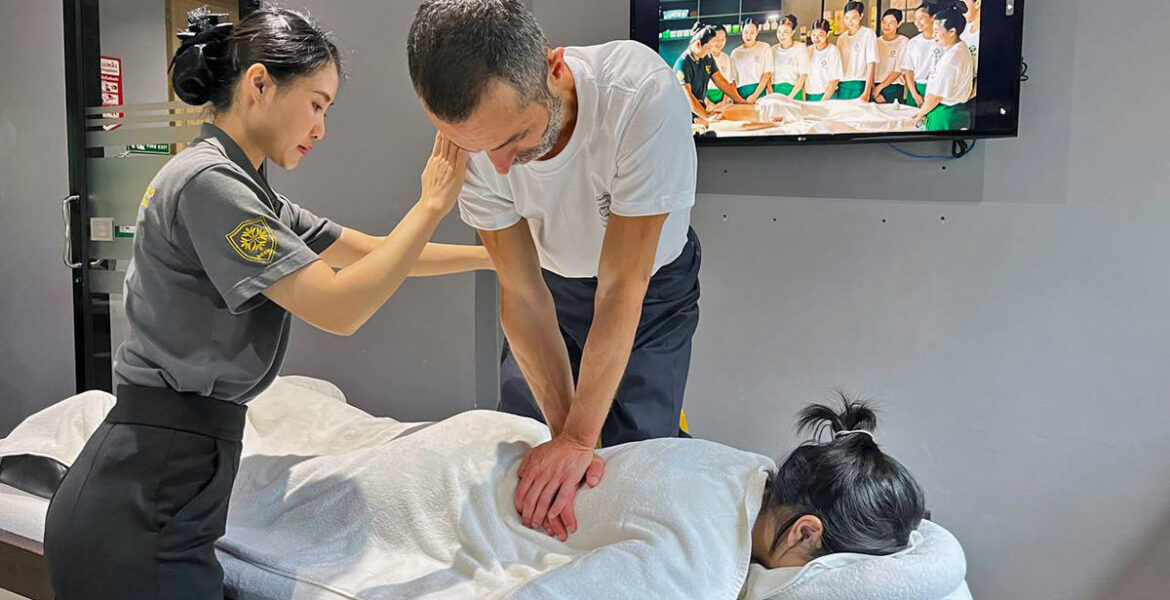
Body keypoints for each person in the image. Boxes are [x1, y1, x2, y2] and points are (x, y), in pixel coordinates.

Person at [43, 7, 486, 599]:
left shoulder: (249, 193)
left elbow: (372, 253)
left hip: (173, 477)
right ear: (258, 84)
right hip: (141, 497)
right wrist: (430, 204)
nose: (322, 127)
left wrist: (498, 261)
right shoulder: (209, 185)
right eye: (318, 103)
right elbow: (339, 307)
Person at [408, 0, 702, 540]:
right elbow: (521, 295)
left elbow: (622, 286)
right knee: (528, 454)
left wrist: (578, 441)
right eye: (477, 149)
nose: (496, 166)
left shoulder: (639, 95)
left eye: (511, 140)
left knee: (632, 455)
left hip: (650, 291)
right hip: (551, 288)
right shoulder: (473, 145)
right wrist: (565, 438)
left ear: (555, 68)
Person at [913, 6, 974, 131]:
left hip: (944, 114)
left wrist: (920, 114)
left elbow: (936, 96)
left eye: (936, 31)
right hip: (955, 111)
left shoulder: (951, 60)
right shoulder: (961, 47)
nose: (933, 34)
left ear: (951, 32)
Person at [674, 23, 749, 123]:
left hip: (699, 109)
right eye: (709, 47)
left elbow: (720, 81)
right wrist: (707, 115)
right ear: (698, 45)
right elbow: (687, 96)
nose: (710, 51)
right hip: (684, 112)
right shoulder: (683, 63)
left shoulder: (707, 58)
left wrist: (741, 101)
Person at [901, 5, 943, 108]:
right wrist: (915, 95)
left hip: (937, 90)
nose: (917, 22)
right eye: (915, 19)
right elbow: (908, 71)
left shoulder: (943, 41)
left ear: (933, 17)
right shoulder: (913, 42)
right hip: (916, 89)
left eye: (921, 18)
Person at [835, 1, 878, 101]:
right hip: (843, 84)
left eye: (853, 18)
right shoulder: (841, 38)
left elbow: (871, 64)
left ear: (861, 16)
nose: (849, 21)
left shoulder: (868, 34)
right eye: (846, 18)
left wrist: (867, 92)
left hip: (860, 84)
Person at [729, 18, 774, 103]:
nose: (748, 36)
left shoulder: (764, 47)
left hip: (760, 93)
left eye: (752, 32)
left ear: (757, 32)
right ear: (742, 31)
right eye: (746, 32)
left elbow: (767, 73)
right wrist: (737, 99)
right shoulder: (735, 53)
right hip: (740, 94)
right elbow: (733, 80)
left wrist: (755, 96)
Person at [873, 8, 909, 104]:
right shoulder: (876, 42)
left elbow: (898, 70)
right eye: (884, 22)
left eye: (891, 23)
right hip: (875, 86)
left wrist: (878, 89)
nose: (886, 26)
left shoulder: (903, 42)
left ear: (899, 24)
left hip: (894, 87)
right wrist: (874, 90)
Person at [770, 14, 810, 100]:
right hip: (776, 91)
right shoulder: (773, 50)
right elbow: (769, 75)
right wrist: (771, 95)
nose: (782, 35)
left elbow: (803, 75)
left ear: (793, 32)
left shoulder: (800, 48)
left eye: (786, 32)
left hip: (794, 92)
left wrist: (790, 97)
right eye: (779, 32)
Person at [805, 19, 844, 102]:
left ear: (827, 34)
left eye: (820, 35)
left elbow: (834, 80)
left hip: (828, 96)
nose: (816, 38)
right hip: (810, 96)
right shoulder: (808, 50)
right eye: (814, 34)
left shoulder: (833, 51)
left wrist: (822, 101)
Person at [706, 24, 733, 105]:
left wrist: (723, 101)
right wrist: (707, 103)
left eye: (723, 39)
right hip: (705, 100)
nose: (719, 42)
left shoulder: (726, 58)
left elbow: (728, 82)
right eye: (717, 39)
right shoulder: (703, 57)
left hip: (722, 99)